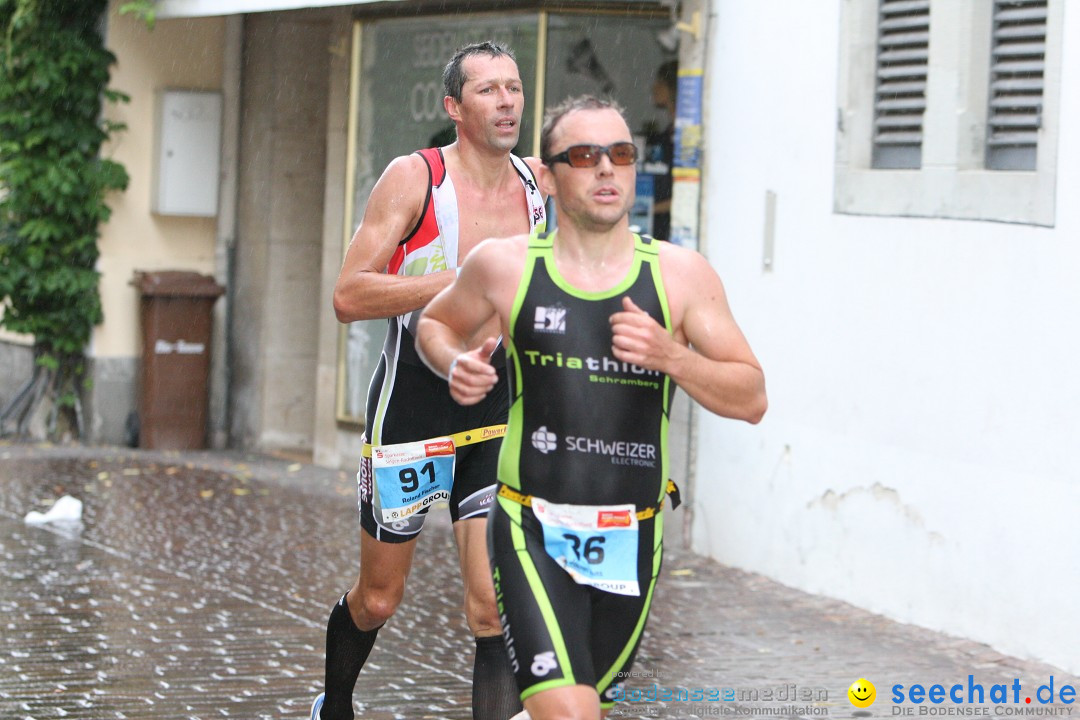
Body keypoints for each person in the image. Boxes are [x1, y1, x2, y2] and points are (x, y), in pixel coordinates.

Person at [415, 95, 766, 720]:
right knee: (573, 714)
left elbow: (752, 398)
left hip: (634, 536)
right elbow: (436, 324)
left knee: (579, 707)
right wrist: (454, 364)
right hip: (531, 528)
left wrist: (673, 357)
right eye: (584, 155)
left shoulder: (681, 277)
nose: (607, 169)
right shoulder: (507, 264)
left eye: (622, 154)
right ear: (548, 176)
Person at [311, 41, 546, 720]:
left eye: (514, 88)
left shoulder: (537, 185)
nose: (506, 102)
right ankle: (337, 704)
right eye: (487, 91)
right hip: (413, 405)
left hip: (494, 407)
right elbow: (348, 296)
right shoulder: (415, 179)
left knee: (490, 608)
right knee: (380, 598)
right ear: (453, 107)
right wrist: (465, 277)